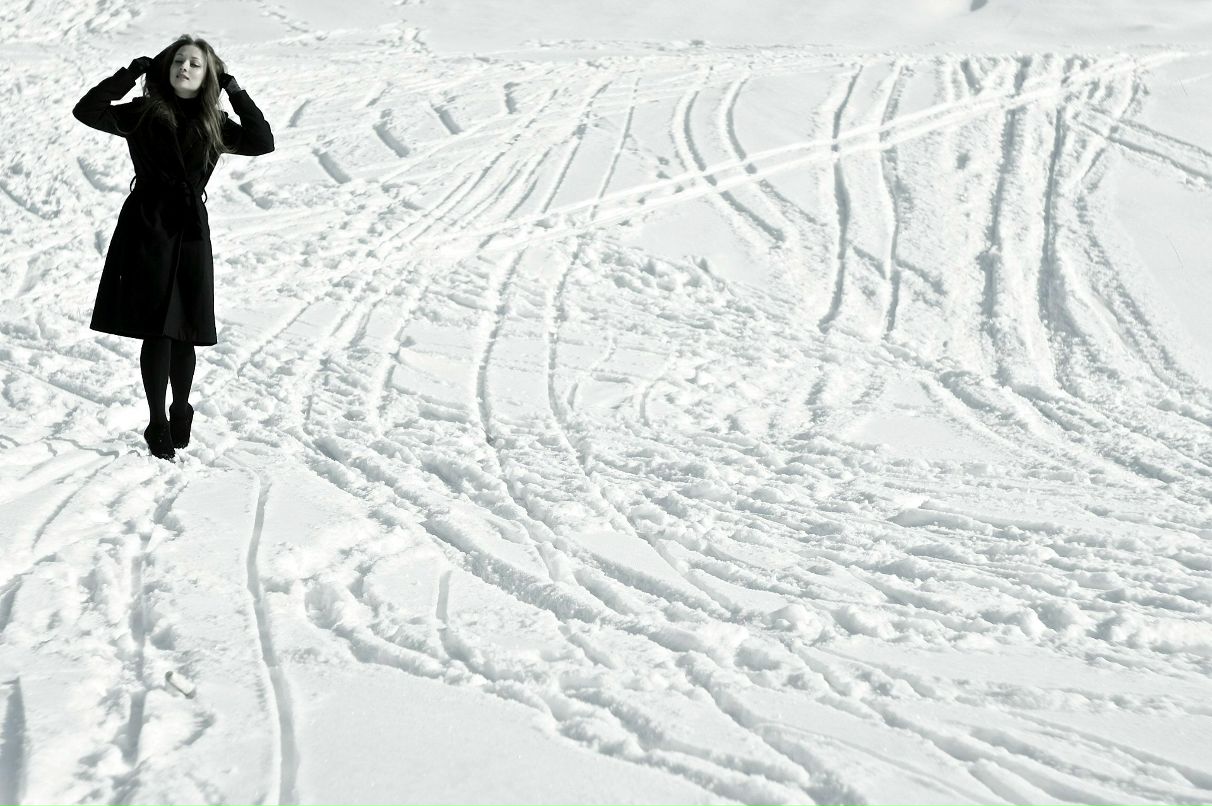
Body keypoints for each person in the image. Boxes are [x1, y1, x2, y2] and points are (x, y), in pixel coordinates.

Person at [73, 35, 274, 460]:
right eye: (179, 61)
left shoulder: (215, 122)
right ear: (166, 68)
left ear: (208, 76)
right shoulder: (143, 113)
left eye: (196, 64)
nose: (185, 67)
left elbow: (262, 141)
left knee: (185, 329)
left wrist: (234, 89)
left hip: (190, 228)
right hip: (147, 225)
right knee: (158, 327)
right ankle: (156, 421)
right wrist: (130, 73)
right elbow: (87, 110)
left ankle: (181, 407)